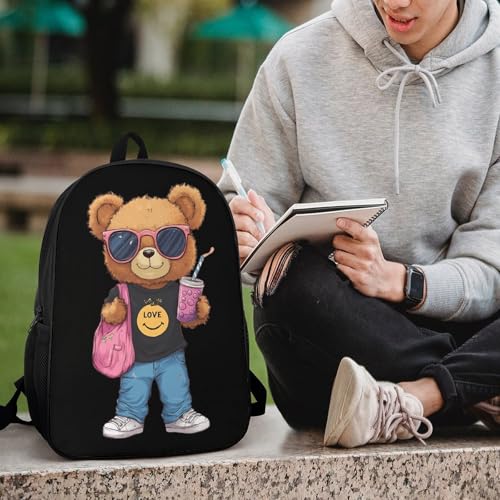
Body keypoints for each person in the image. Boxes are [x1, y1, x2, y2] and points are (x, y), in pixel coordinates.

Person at [218, 0, 500, 448]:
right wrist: (241, 229)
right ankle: (477, 388)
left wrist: (401, 281)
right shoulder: (298, 57)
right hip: (331, 349)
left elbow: (492, 267)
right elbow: (238, 205)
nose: (396, 3)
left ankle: (421, 397)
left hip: (456, 324)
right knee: (287, 274)